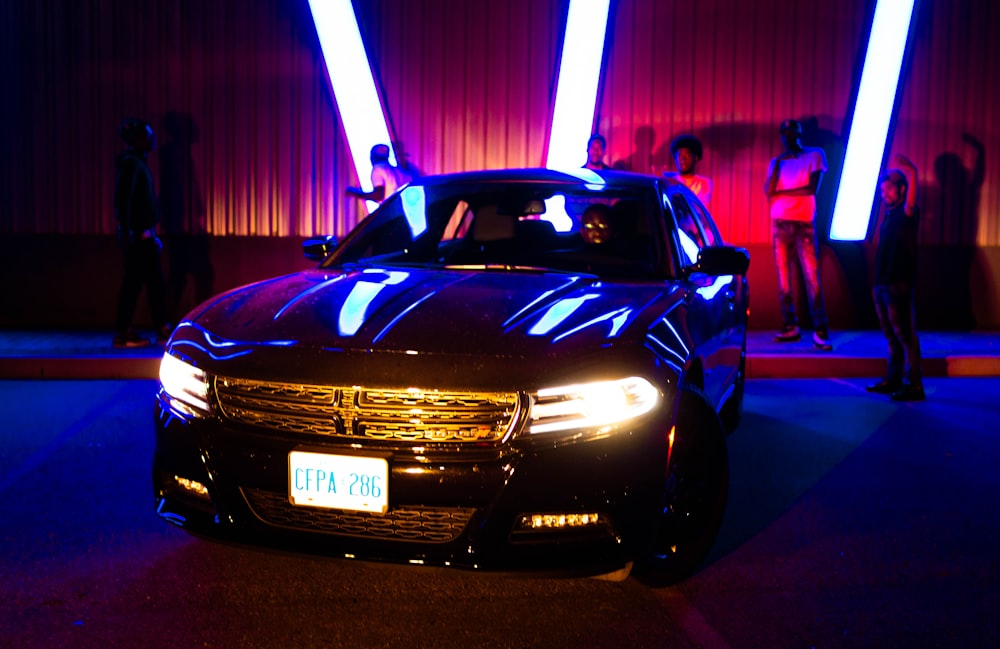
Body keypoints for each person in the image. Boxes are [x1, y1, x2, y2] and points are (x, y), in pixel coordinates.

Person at [764, 119, 832, 350]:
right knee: (783, 280)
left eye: (792, 133)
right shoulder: (777, 161)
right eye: (784, 134)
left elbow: (811, 188)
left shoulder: (815, 155)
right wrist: (777, 167)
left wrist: (782, 192)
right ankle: (789, 326)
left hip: (804, 223)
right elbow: (768, 190)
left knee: (812, 278)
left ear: (799, 134)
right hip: (780, 223)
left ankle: (820, 330)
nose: (788, 138)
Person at [867, 155, 924, 401]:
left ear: (901, 189)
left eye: (888, 188)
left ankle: (914, 386)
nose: (884, 193)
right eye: (882, 189)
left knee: (905, 335)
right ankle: (894, 379)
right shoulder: (889, 217)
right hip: (882, 283)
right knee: (891, 335)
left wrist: (912, 171)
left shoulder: (907, 213)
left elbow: (911, 198)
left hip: (898, 283)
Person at [113, 118, 170, 348]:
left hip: (143, 236)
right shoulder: (132, 165)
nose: (152, 139)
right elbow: (124, 201)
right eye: (147, 136)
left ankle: (160, 328)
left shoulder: (137, 163)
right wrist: (133, 233)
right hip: (139, 238)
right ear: (136, 140)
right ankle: (124, 332)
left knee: (152, 283)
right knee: (136, 284)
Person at [346, 143, 411, 204]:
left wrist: (355, 193)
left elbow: (378, 196)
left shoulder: (377, 170)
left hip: (391, 211)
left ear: (372, 157)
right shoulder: (399, 170)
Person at [663, 134, 712, 207]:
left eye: (687, 155)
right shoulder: (668, 181)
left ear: (696, 157)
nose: (683, 159)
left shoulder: (704, 183)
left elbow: (699, 208)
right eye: (679, 155)